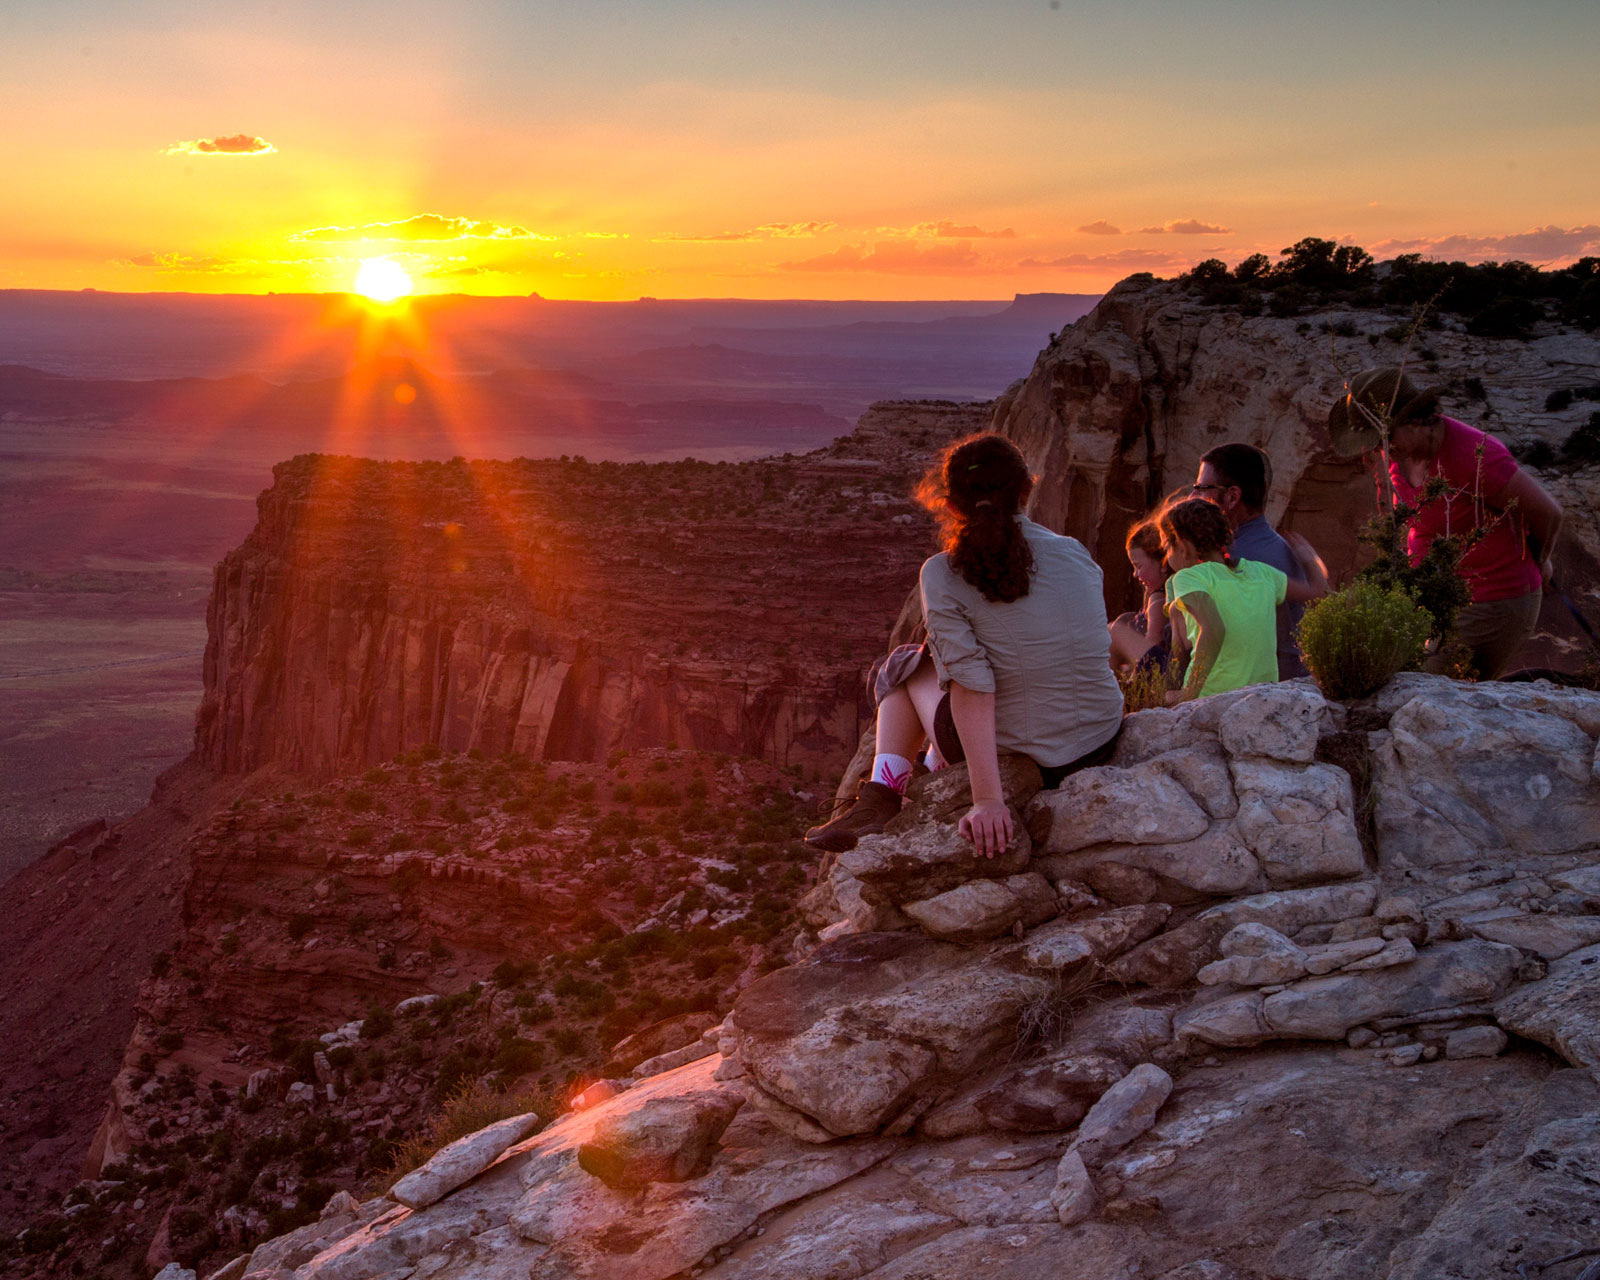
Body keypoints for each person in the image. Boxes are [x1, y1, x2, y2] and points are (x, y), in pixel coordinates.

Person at [805, 434, 1124, 858]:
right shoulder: (1074, 553)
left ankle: (884, 795)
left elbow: (973, 685)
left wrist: (987, 800)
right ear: (1028, 488)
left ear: (952, 506)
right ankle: (925, 768)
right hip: (1099, 739)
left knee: (902, 666)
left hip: (1029, 754)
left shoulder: (943, 572)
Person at [1327, 366, 1563, 680]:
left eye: (1384, 438)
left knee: (1427, 684)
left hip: (1493, 600)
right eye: (1374, 442)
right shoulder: (1402, 454)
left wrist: (1540, 559)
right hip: (1440, 601)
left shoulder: (1474, 456)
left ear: (1415, 420)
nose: (1381, 449)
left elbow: (1548, 512)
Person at [1158, 498, 1327, 702]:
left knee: (1175, 612)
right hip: (1263, 696)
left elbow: (1213, 630)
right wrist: (1308, 557)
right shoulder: (1262, 573)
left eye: (1166, 547)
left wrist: (1189, 692)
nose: (1166, 558)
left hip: (1211, 697)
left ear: (1183, 546)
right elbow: (1318, 593)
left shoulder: (1188, 578)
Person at [1190, 443, 1309, 678]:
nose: (1193, 497)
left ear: (1232, 496)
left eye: (1201, 488)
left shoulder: (1236, 561)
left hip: (1259, 685)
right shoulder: (1274, 546)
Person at [1108, 519, 1173, 673]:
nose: (1135, 574)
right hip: (1145, 665)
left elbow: (1152, 646)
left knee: (1114, 631)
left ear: (1163, 565)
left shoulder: (1159, 602)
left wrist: (1132, 676)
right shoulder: (1153, 596)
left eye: (1138, 566)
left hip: (1154, 670)